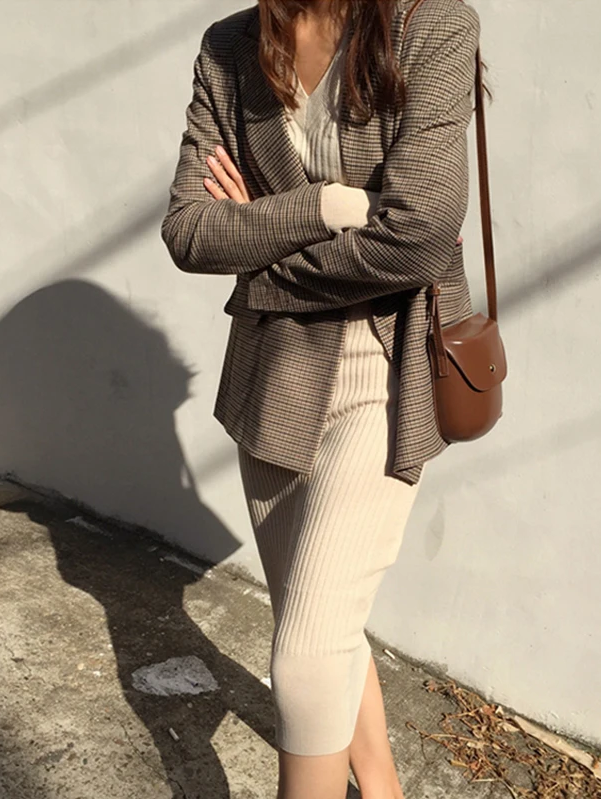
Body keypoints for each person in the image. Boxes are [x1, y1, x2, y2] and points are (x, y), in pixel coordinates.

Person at [162, 0, 481, 796]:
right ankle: (382, 786)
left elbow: (419, 236)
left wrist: (260, 242)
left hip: (388, 364)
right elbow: (190, 230)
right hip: (275, 376)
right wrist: (327, 208)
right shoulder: (229, 47)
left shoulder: (431, 25)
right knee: (320, 620)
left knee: (306, 655)